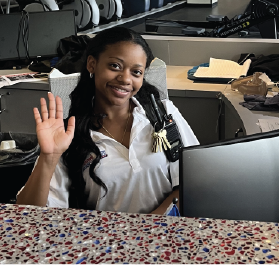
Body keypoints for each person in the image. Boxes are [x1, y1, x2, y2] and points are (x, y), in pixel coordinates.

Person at [16, 28, 199, 214]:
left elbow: (191, 181)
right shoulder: (70, 135)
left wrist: (150, 226)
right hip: (102, 241)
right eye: (115, 66)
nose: (125, 79)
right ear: (92, 64)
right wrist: (48, 157)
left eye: (136, 72)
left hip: (164, 234)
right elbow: (28, 215)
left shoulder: (163, 114)